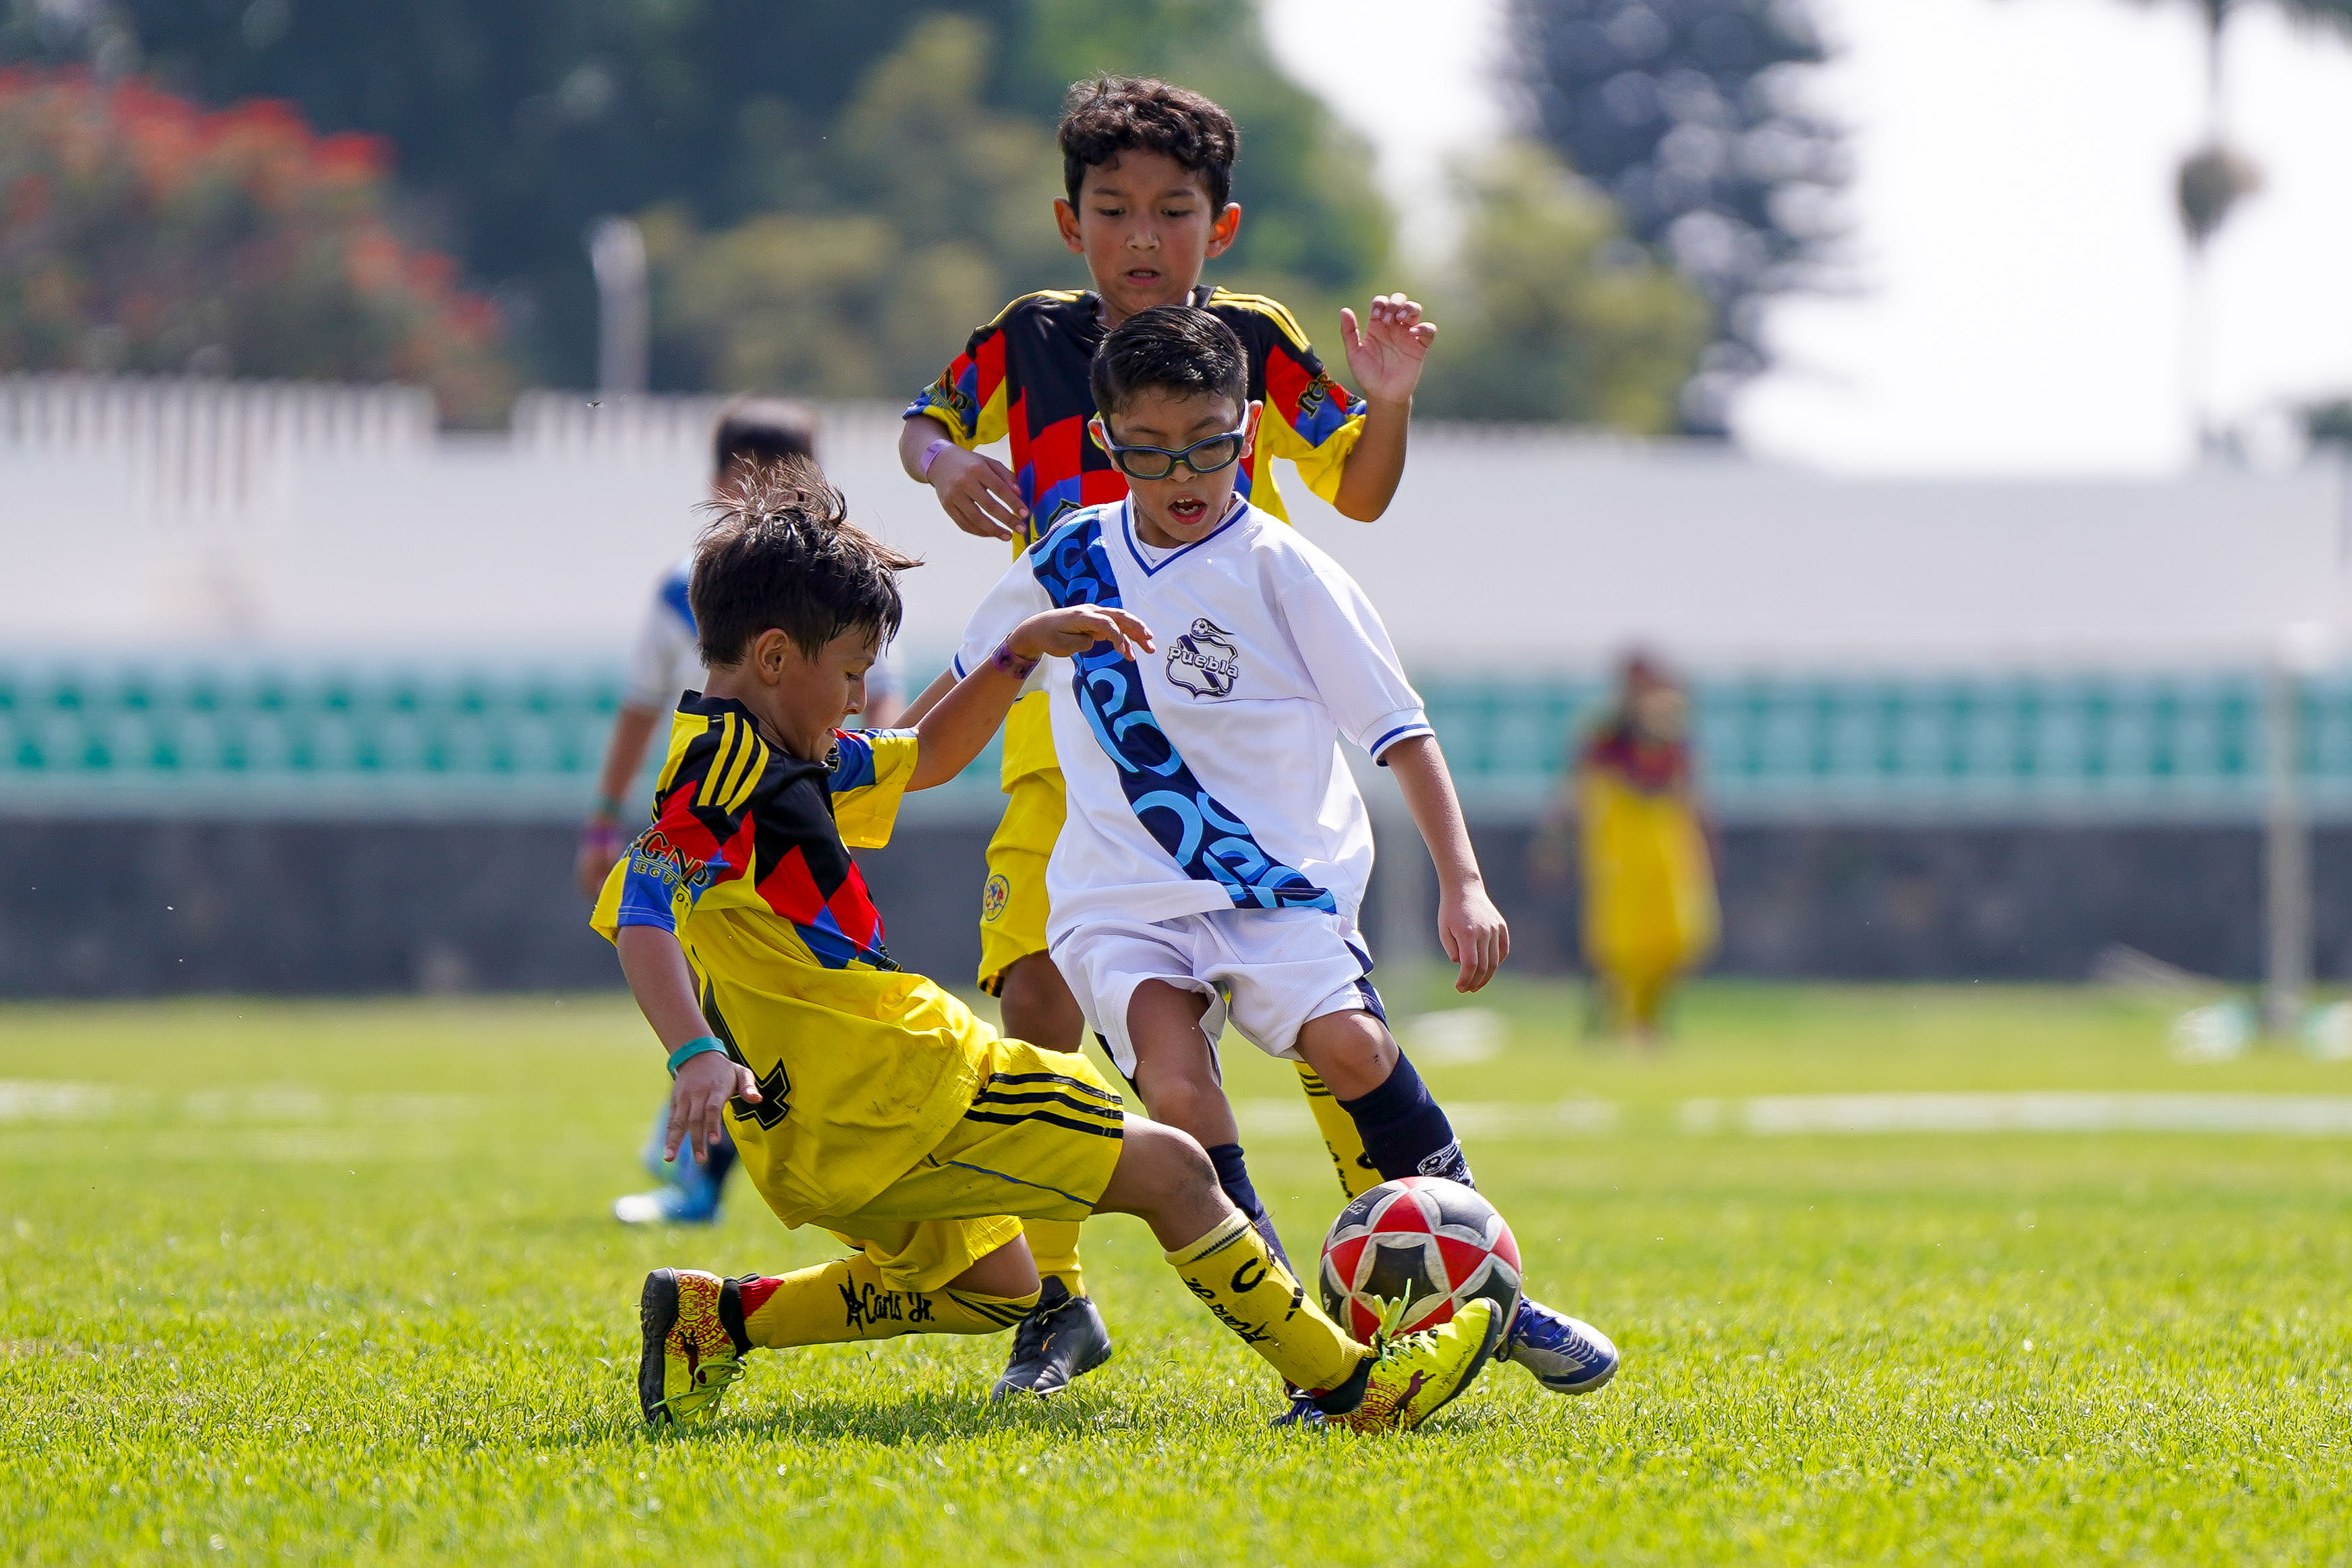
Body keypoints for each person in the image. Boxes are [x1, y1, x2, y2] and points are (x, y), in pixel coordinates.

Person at [598, 457, 1501, 1433]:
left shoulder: (779, 752)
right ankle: (1351, 1388)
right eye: (852, 674)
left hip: (808, 1131)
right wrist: (691, 1052)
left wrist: (1018, 650)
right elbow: (639, 905)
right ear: (776, 658)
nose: (861, 698)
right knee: (1175, 1172)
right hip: (901, 1080)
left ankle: (716, 1318)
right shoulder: (722, 772)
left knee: (996, 1283)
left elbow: (931, 757)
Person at [953, 306, 1620, 1413]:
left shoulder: (1286, 570)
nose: (1185, 472)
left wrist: (1464, 879)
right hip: (1119, 895)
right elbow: (970, 690)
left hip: (1273, 883)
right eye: (1154, 448)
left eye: (1210, 443)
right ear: (1108, 439)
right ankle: (1313, 1358)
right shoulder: (1064, 555)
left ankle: (1490, 1287)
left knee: (1353, 1046)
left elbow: (1399, 729)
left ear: (1249, 430)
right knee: (1174, 1082)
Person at [897, 73, 1433, 1392]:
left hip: (1248, 754)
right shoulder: (1024, 340)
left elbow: (1355, 490)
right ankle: (1060, 1299)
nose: (1145, 238)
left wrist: (1391, 403)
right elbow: (925, 422)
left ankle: (1400, 1266)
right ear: (1069, 220)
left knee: (1321, 1027)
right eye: (1116, 209)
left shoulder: (1254, 345)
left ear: (1222, 225)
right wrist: (949, 466)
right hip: (1064, 736)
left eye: (1174, 212)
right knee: (1034, 996)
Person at [574, 398, 903, 1227]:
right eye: (755, 482)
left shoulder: (840, 589)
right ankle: (700, 1164)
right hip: (715, 829)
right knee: (722, 995)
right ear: (721, 482)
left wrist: (845, 775)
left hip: (794, 830)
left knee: (775, 999)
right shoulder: (680, 596)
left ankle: (785, 1149)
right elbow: (641, 707)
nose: (777, 501)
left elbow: (881, 703)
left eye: (796, 483)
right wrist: (605, 819)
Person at [1534, 652, 1718, 1041]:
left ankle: (1648, 1020)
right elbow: (1576, 788)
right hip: (1620, 855)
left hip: (1668, 852)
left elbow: (1690, 793)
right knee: (1620, 944)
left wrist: (1704, 838)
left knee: (1677, 937)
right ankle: (1611, 1023)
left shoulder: (1673, 737)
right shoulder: (1606, 736)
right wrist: (1554, 839)